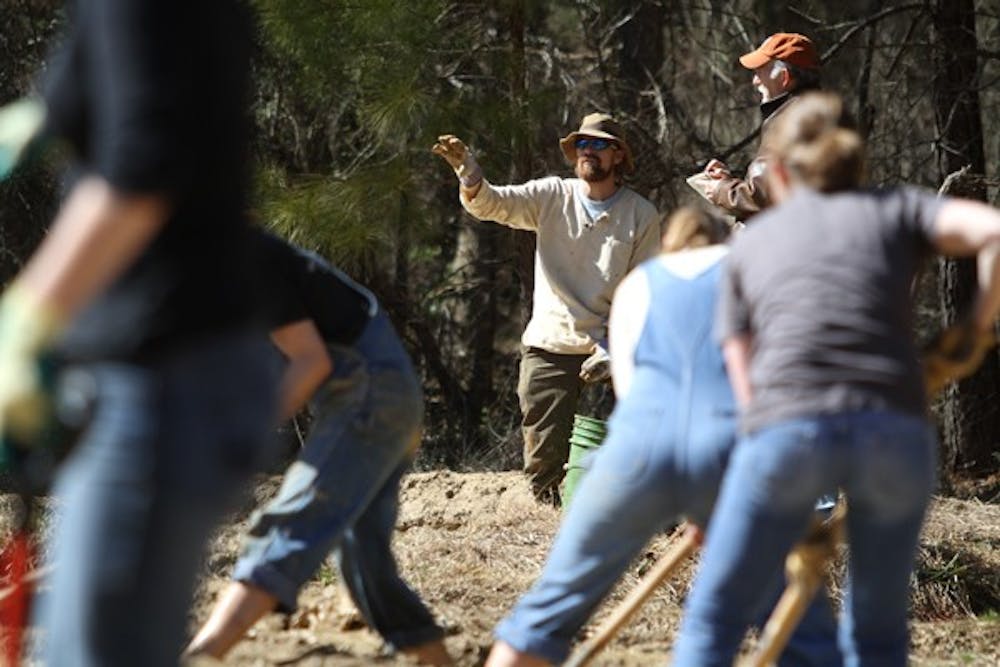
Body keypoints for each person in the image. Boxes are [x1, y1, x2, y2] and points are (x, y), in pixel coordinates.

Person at [672, 92, 1000, 665]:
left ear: (774, 170)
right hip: (895, 437)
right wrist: (975, 328)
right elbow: (993, 231)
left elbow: (742, 376)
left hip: (789, 432)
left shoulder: (751, 243)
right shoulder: (897, 210)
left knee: (715, 617)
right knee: (875, 634)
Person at [0, 2, 281, 664]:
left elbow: (146, 161)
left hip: (164, 372)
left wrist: (27, 317)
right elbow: (115, 77)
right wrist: (37, 119)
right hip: (162, 368)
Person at [484, 208, 840, 667]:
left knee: (542, 617)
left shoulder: (638, 284)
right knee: (800, 625)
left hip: (634, 453)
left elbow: (629, 391)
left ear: (669, 245)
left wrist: (684, 491)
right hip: (729, 451)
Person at [185, 231, 452, 665]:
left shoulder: (243, 256)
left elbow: (311, 361)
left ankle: (203, 654)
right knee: (365, 562)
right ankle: (436, 658)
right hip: (389, 391)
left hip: (370, 393)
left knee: (293, 520)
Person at [432, 113, 661, 502]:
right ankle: (547, 526)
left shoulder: (641, 215)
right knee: (543, 461)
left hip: (610, 348)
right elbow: (494, 204)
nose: (589, 152)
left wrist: (614, 346)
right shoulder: (553, 194)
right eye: (582, 145)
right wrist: (468, 172)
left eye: (600, 145)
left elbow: (644, 291)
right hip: (549, 345)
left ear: (618, 156)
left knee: (632, 443)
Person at [697, 32, 821, 222]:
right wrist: (730, 181)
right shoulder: (815, 113)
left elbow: (763, 196)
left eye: (759, 71)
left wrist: (721, 190)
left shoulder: (792, 120)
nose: (755, 81)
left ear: (784, 77)